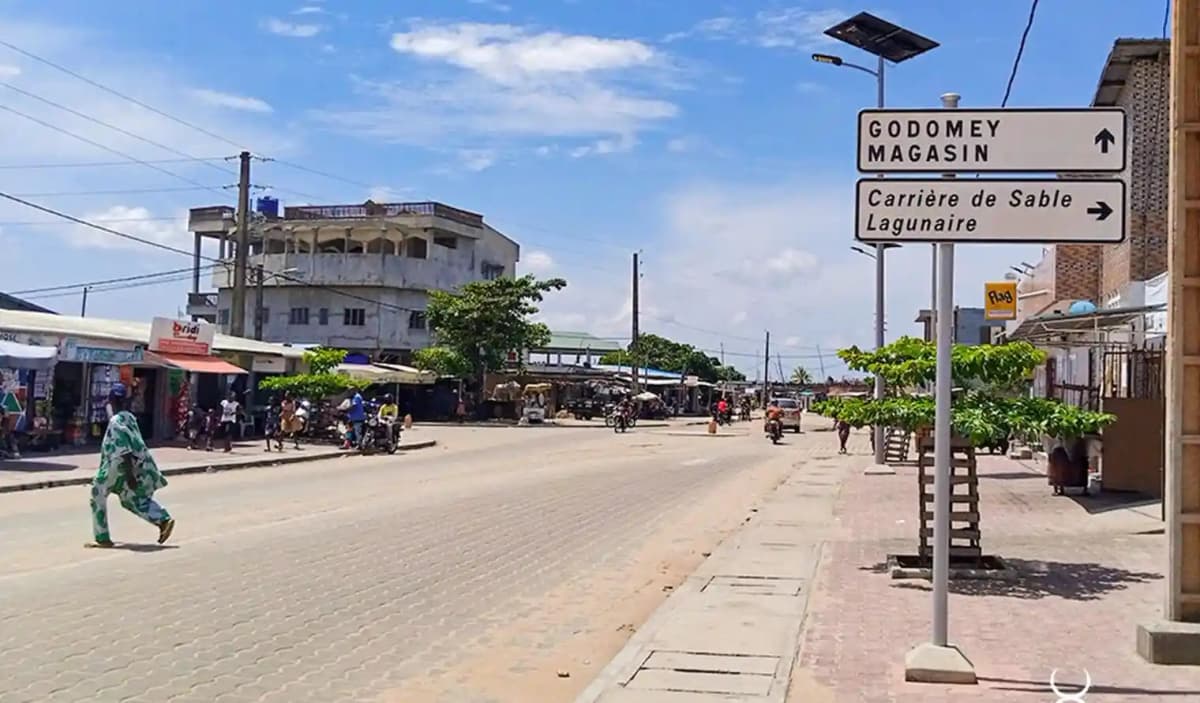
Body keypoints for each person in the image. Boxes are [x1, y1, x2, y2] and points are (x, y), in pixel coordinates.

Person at [88, 382, 174, 547]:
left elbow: (124, 450)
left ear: (112, 400)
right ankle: (163, 520)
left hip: (117, 465)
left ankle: (102, 537)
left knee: (97, 493)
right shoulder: (130, 417)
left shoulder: (115, 421)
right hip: (131, 464)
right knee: (130, 498)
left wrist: (129, 475)